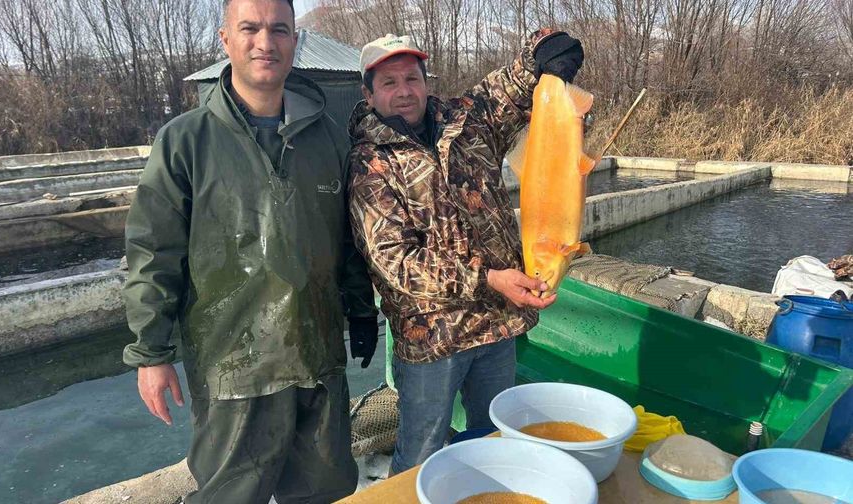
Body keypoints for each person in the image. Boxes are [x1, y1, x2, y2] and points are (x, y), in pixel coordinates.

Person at [121, 0, 377, 502]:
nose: (266, 42)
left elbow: (350, 242)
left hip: (317, 360)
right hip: (232, 371)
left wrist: (362, 313)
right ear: (225, 40)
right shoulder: (184, 142)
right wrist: (151, 352)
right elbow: (153, 251)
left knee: (326, 491)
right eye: (250, 28)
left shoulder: (330, 139)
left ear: (294, 42)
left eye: (280, 29)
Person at [346, 30, 584, 475]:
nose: (403, 92)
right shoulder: (369, 164)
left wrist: (545, 54)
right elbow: (395, 262)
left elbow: (509, 86)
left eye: (411, 79)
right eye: (389, 83)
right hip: (432, 342)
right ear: (368, 92)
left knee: (495, 438)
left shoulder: (466, 120)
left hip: (496, 326)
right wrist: (490, 279)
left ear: (425, 80)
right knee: (420, 451)